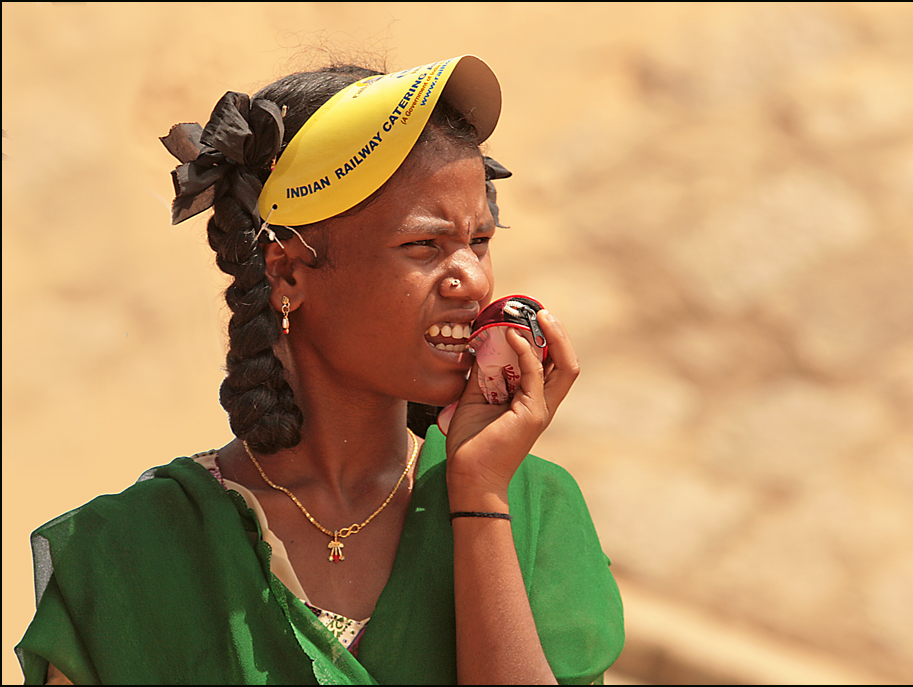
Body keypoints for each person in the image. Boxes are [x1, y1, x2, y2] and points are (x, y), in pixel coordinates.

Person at [15, 55, 625, 685]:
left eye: (480, 241)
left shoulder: (532, 507)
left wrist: (479, 501)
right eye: (424, 245)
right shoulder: (129, 556)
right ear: (287, 273)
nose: (473, 281)